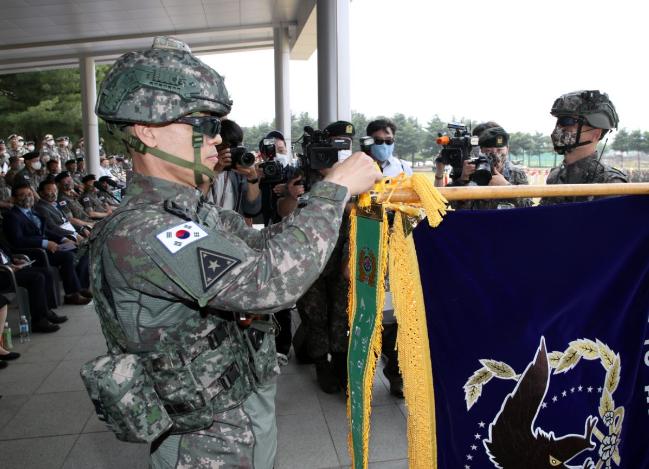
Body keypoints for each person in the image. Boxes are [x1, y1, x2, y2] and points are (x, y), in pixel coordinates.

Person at [91, 36, 381, 469]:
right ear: (146, 129)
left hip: (238, 407)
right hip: (203, 440)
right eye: (201, 124)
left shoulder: (189, 209)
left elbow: (263, 246)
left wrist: (321, 201)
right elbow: (267, 286)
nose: (216, 141)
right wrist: (333, 193)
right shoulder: (143, 230)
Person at [287, 121, 356, 393]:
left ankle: (340, 362)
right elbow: (284, 211)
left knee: (341, 313)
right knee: (315, 314)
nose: (340, 150)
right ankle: (320, 363)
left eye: (345, 145)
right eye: (335, 143)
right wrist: (293, 195)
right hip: (310, 256)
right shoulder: (303, 172)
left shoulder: (357, 174)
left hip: (342, 256)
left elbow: (363, 213)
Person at [3, 183, 92, 306]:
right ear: (13, 198)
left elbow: (45, 231)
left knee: (77, 249)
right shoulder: (12, 216)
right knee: (67, 257)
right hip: (33, 252)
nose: (27, 197)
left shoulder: (32, 212)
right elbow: (18, 240)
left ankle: (77, 288)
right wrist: (44, 243)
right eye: (22, 195)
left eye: (29, 194)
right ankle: (73, 293)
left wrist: (62, 239)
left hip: (45, 248)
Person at [540, 90, 627, 205]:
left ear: (595, 134)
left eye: (567, 121)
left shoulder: (611, 183)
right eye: (558, 122)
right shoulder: (555, 176)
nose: (559, 129)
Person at [0, 242, 68, 331]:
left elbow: (5, 255)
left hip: (10, 269)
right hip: (4, 274)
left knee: (46, 273)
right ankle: (39, 320)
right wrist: (7, 267)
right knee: (37, 278)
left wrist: (15, 260)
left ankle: (46, 310)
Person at [208, 119, 261, 217]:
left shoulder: (239, 172)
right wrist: (215, 170)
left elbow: (252, 210)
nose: (233, 151)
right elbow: (195, 201)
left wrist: (253, 179)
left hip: (230, 229)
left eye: (237, 146)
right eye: (227, 146)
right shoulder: (203, 167)